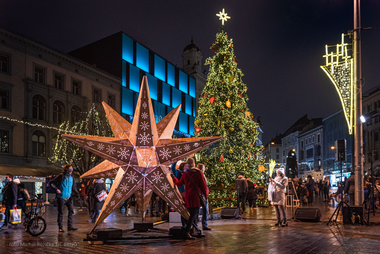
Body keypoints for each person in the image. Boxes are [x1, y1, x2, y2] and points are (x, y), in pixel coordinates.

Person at [172, 157, 208, 240]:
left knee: (191, 214)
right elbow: (203, 185)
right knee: (193, 215)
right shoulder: (198, 173)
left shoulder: (185, 174)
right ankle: (187, 232)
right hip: (195, 196)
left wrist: (174, 178)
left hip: (188, 196)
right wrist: (205, 196)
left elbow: (179, 183)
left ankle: (193, 231)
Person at [49, 164, 79, 232]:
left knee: (71, 212)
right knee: (60, 213)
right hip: (61, 197)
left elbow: (74, 187)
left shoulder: (72, 178)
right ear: (66, 169)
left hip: (69, 198)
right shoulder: (61, 176)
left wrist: (77, 195)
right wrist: (56, 189)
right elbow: (51, 183)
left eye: (72, 168)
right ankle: (60, 227)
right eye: (70, 168)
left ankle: (70, 226)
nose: (71, 170)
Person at [197, 163, 211, 230]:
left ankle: (202, 224)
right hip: (202, 194)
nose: (204, 169)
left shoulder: (202, 175)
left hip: (203, 194)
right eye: (203, 168)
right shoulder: (200, 175)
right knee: (203, 209)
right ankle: (202, 224)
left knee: (202, 209)